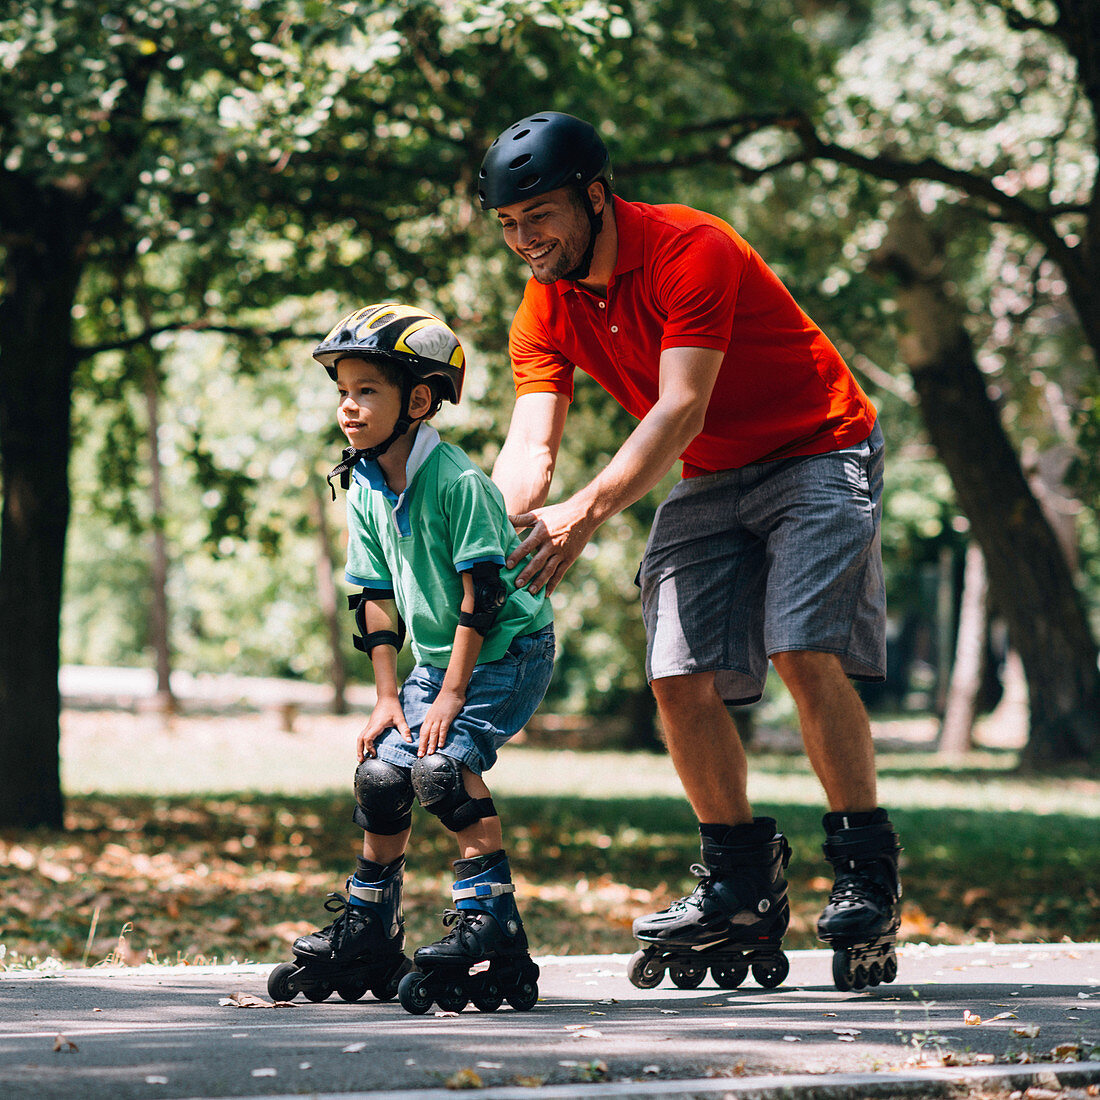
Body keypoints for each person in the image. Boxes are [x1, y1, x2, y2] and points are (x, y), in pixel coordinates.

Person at [478, 112, 902, 992]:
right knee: (675, 671)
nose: (527, 240)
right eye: (510, 224)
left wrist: (587, 514)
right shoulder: (543, 303)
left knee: (800, 645)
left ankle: (865, 868)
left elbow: (679, 408)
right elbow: (531, 447)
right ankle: (741, 882)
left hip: (817, 446)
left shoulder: (690, 248)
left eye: (542, 216)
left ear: (595, 196)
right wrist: (481, 538)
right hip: (716, 472)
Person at [268, 303, 554, 1014]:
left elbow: (482, 597)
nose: (349, 407)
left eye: (368, 391)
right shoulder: (365, 484)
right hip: (437, 659)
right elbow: (371, 594)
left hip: (507, 650)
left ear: (418, 400)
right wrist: (387, 695)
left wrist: (451, 695)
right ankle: (370, 927)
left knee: (441, 771)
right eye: (343, 391)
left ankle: (493, 923)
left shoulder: (458, 483)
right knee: (382, 777)